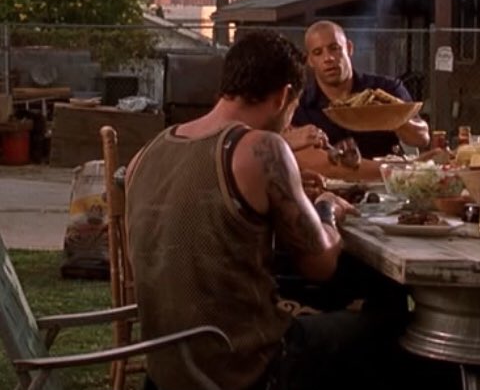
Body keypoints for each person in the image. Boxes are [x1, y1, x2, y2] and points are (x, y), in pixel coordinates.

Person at [125, 30, 404, 390]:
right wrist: (326, 207)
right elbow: (320, 265)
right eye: (292, 110)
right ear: (284, 96)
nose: (289, 121)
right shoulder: (262, 148)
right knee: (392, 325)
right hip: (247, 369)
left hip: (167, 371)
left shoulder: (146, 154)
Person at [286, 20, 430, 179]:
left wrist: (392, 117)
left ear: (349, 48)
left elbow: (422, 138)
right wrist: (405, 168)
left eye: (334, 48)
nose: (328, 58)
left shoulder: (385, 89)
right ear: (310, 60)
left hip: (387, 186)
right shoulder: (299, 105)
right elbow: (315, 163)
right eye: (318, 52)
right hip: (333, 188)